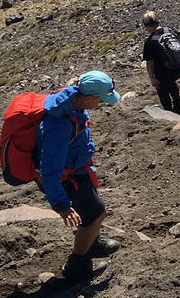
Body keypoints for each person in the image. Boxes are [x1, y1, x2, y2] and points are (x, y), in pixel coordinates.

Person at [36, 71, 121, 283]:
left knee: (91, 212)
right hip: (66, 178)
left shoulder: (73, 101)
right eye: (100, 100)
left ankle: (92, 242)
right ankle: (77, 265)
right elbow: (48, 170)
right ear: (88, 98)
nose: (101, 104)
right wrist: (61, 204)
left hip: (76, 169)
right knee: (96, 214)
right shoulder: (60, 126)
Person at [142, 12, 180, 115]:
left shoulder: (150, 41)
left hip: (165, 69)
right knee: (170, 81)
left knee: (161, 87)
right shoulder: (170, 30)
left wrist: (152, 78)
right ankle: (178, 105)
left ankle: (169, 111)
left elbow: (150, 62)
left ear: (147, 27)